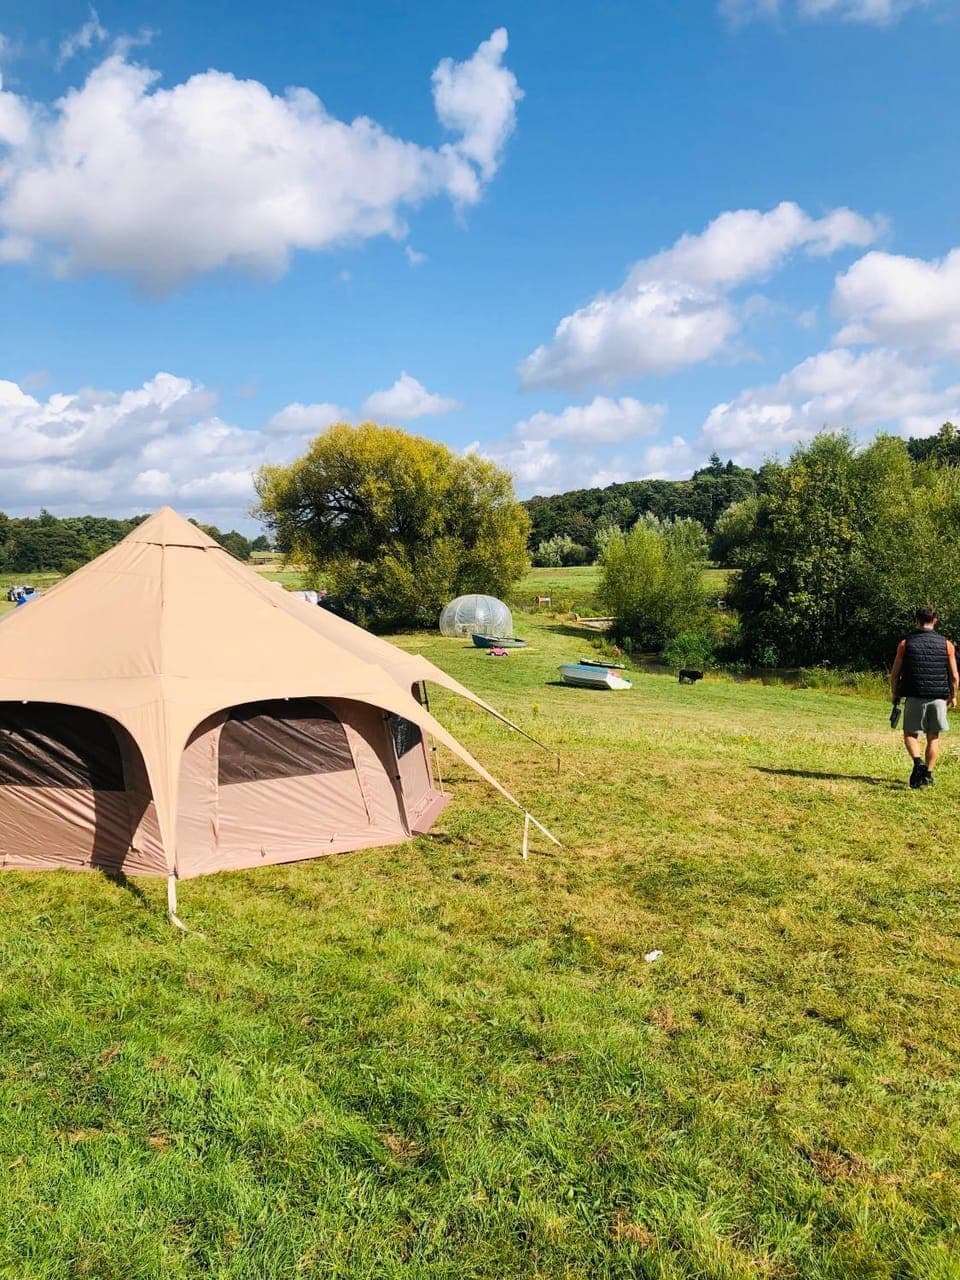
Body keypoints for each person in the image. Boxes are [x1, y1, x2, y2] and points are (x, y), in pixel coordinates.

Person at [890, 606, 959, 788]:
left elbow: (895, 674)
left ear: (916, 620)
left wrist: (895, 693)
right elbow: (954, 675)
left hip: (914, 695)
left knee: (910, 734)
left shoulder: (905, 643)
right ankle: (928, 774)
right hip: (938, 696)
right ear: (935, 621)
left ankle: (918, 762)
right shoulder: (947, 644)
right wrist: (954, 696)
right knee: (933, 736)